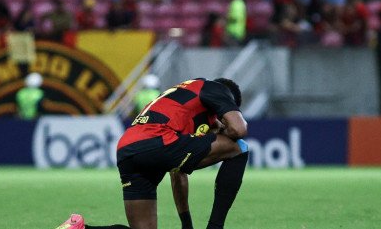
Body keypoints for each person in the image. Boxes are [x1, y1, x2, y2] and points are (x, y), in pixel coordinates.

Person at [56, 78, 249, 229]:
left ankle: (80, 227)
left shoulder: (184, 101)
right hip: (156, 140)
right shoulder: (216, 88)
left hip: (127, 149)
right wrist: (224, 130)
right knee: (239, 148)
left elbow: (178, 173)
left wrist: (186, 224)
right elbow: (239, 129)